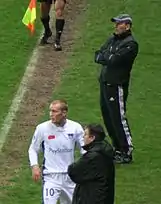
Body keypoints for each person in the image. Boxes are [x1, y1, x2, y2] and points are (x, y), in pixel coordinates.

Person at [94, 14, 139, 164]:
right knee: (108, 117)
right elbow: (98, 55)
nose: (116, 26)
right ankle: (117, 148)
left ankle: (127, 150)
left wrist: (107, 56)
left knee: (118, 117)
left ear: (127, 26)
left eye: (119, 23)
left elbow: (113, 60)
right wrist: (108, 56)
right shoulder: (113, 39)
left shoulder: (131, 44)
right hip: (105, 83)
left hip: (116, 85)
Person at [28, 99, 85, 204]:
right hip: (51, 176)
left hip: (70, 176)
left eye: (54, 111)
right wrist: (34, 166)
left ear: (64, 113)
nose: (51, 114)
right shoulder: (42, 128)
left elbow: (85, 149)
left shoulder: (75, 128)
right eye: (50, 111)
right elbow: (33, 149)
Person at [68, 124, 115, 204]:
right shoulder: (105, 151)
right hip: (104, 197)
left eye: (85, 134)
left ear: (92, 138)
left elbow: (73, 171)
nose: (83, 137)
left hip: (92, 198)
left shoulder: (92, 157)